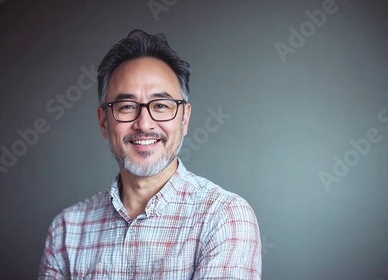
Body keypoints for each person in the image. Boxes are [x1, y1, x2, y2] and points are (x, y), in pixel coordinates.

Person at [38, 29, 262, 279]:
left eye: (161, 106)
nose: (144, 124)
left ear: (185, 118)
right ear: (104, 122)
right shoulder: (66, 230)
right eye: (126, 107)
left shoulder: (224, 218)